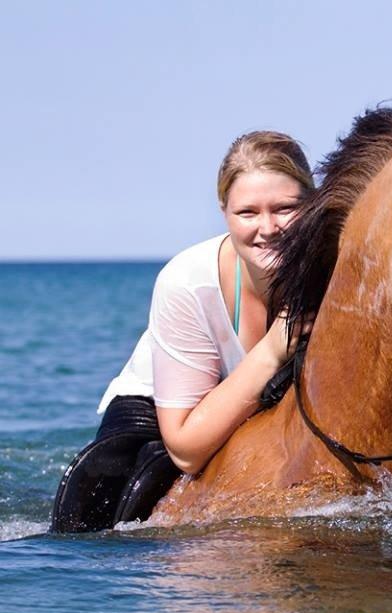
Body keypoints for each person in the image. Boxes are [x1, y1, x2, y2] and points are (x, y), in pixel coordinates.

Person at [51, 131, 315, 533]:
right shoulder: (187, 280)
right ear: (225, 212)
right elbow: (187, 452)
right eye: (248, 212)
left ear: (313, 204)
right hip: (163, 419)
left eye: (285, 208)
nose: (268, 227)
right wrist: (274, 348)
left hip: (265, 404)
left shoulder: (334, 267)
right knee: (100, 515)